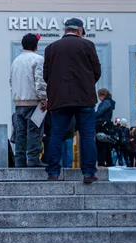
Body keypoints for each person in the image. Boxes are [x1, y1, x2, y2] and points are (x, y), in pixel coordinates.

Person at [43, 18, 101, 183]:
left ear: (65, 30)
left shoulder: (51, 48)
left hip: (59, 100)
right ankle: (89, 172)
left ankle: (53, 172)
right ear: (80, 30)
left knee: (56, 135)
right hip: (84, 99)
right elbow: (97, 71)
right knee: (87, 136)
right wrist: (86, 85)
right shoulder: (88, 45)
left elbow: (46, 75)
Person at [10, 33, 48, 167]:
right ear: (36, 45)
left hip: (18, 101)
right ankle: (33, 159)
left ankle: (19, 160)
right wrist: (44, 98)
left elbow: (11, 81)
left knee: (20, 132)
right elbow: (40, 81)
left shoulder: (16, 61)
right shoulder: (38, 59)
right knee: (34, 131)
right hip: (33, 102)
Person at [95, 88, 116, 167]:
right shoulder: (110, 102)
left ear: (102, 95)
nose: (98, 98)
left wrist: (93, 116)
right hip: (106, 124)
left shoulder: (105, 102)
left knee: (100, 144)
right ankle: (109, 162)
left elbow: (99, 112)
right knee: (106, 144)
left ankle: (101, 162)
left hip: (101, 124)